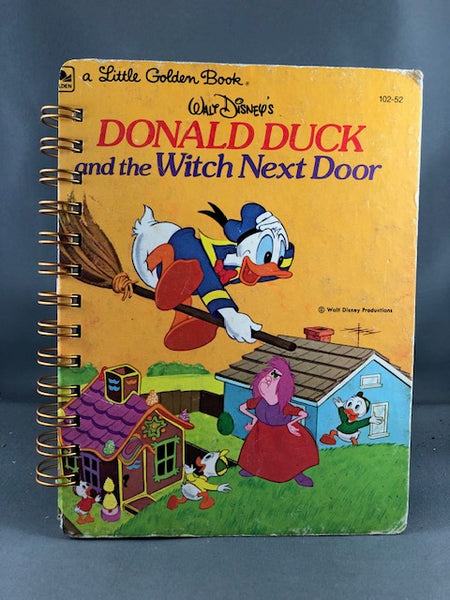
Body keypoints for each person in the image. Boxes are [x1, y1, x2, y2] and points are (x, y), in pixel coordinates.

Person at [238, 356, 319, 486]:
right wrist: (254, 420)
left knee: (288, 457)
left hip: (281, 434)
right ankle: (252, 469)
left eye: (274, 378)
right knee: (256, 451)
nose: (268, 380)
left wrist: (290, 424)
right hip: (261, 431)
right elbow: (243, 407)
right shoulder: (258, 400)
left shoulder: (284, 406)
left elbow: (303, 414)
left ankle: (298, 475)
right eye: (268, 376)